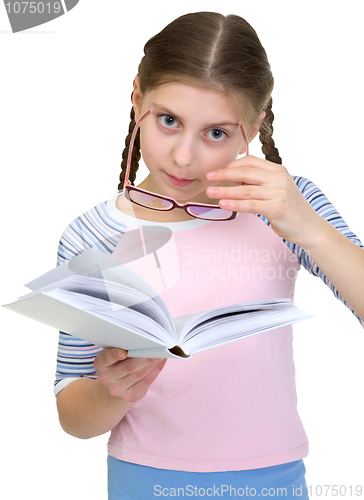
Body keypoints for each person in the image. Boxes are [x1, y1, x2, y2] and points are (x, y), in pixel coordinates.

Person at [54, 12, 364, 499]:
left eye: (216, 133)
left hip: (270, 480)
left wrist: (310, 230)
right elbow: (72, 415)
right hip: (143, 480)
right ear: (137, 98)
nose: (182, 157)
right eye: (168, 120)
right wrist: (111, 392)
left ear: (253, 130)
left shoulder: (284, 207)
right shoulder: (91, 235)